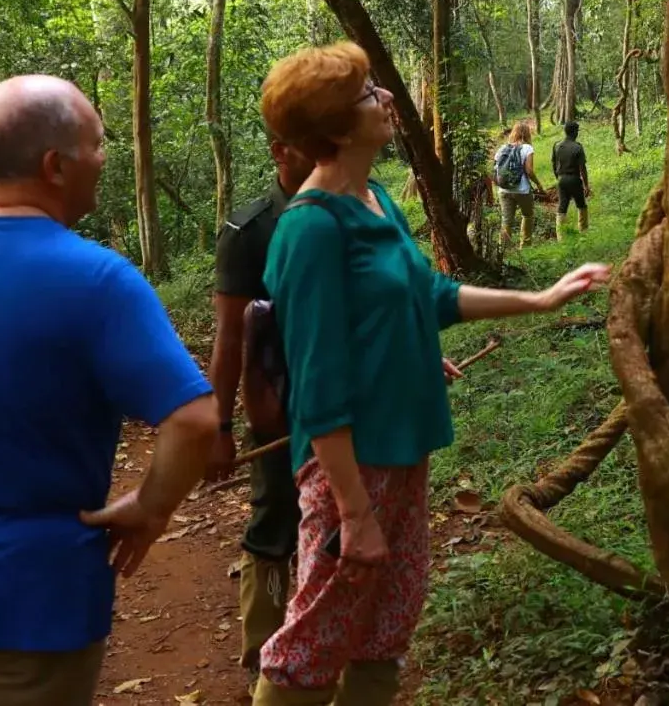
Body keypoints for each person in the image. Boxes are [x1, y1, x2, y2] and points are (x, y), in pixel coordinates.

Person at [251, 42, 609, 706]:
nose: (385, 98)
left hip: (404, 447)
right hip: (350, 469)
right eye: (366, 95)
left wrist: (541, 298)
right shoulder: (311, 230)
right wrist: (353, 511)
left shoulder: (376, 199)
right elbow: (319, 382)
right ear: (333, 127)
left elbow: (430, 298)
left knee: (386, 621)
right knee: (316, 630)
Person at [0, 75, 218, 706]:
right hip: (34, 598)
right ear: (55, 165)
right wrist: (149, 508)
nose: (104, 157)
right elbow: (195, 419)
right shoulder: (96, 279)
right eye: (98, 143)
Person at [207, 130, 314, 676]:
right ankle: (264, 653)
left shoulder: (358, 211)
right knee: (275, 522)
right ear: (281, 148)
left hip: (354, 405)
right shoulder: (248, 231)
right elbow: (229, 338)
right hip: (279, 410)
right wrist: (219, 425)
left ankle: (325, 649)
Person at [492, 119, 545, 248]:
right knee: (527, 215)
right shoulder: (527, 148)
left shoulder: (503, 148)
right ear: (527, 134)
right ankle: (525, 245)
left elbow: (495, 168)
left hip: (504, 190)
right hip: (522, 190)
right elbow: (529, 171)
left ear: (513, 133)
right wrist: (538, 185)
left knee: (506, 221)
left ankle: (504, 249)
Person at [551, 120, 591, 241]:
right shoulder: (577, 147)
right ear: (574, 132)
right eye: (577, 131)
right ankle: (583, 232)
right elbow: (582, 168)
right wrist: (586, 185)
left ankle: (561, 237)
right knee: (581, 205)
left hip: (561, 179)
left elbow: (553, 163)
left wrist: (558, 177)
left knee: (562, 206)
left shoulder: (556, 145)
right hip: (574, 179)